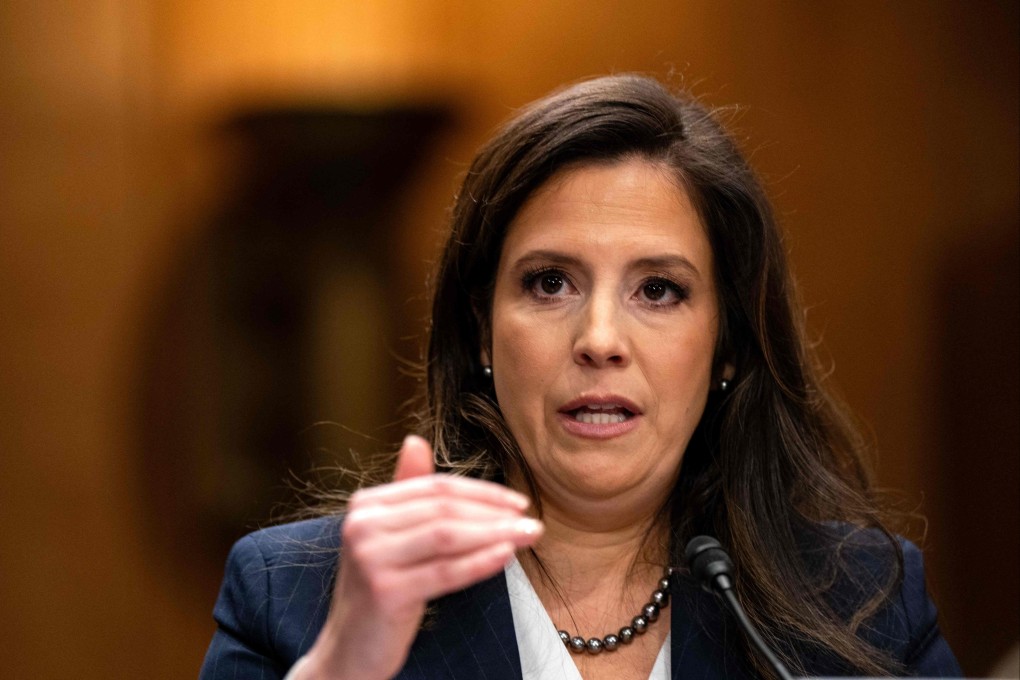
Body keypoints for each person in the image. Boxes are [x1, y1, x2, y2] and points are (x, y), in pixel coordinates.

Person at [199, 74, 961, 680]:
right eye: (549, 283)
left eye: (658, 290)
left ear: (727, 343)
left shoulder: (863, 607)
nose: (599, 340)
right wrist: (344, 669)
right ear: (480, 327)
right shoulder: (295, 597)